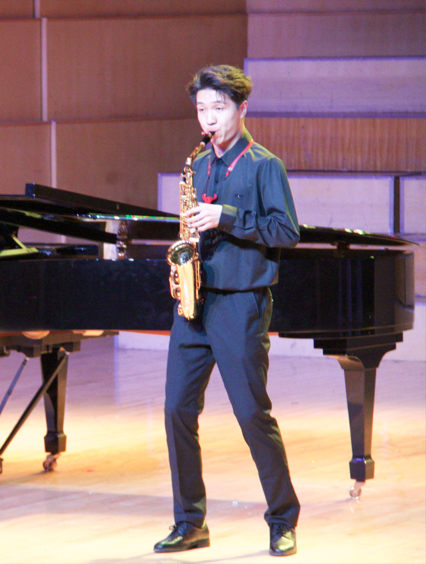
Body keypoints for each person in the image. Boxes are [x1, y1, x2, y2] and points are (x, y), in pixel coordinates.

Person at [154, 65, 301, 557]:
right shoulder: (197, 163)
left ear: (242, 108)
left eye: (218, 108)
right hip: (194, 302)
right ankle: (189, 522)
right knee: (177, 410)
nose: (209, 118)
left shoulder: (264, 165)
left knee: (251, 414)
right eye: (201, 109)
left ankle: (282, 519)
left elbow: (286, 231)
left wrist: (227, 217)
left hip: (241, 303)